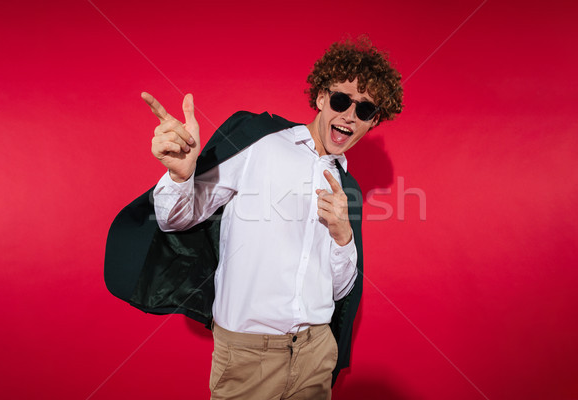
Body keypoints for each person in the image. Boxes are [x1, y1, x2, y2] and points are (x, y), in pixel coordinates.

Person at [104, 36, 402, 400]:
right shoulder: (260, 142)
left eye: (365, 110)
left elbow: (341, 292)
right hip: (248, 357)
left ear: (372, 122)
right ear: (322, 98)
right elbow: (176, 220)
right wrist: (181, 176)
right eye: (341, 100)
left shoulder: (346, 187)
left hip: (316, 354)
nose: (349, 115)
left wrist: (343, 236)